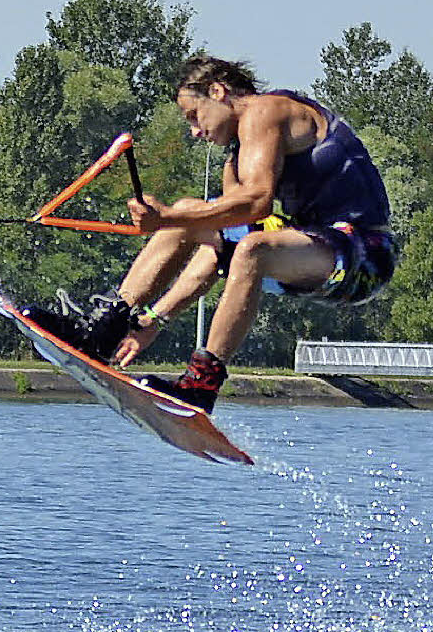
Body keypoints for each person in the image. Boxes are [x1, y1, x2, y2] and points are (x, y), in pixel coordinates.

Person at [26, 55, 396, 413]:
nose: (194, 131)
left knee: (247, 244)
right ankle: (106, 328)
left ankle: (202, 384)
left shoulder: (267, 110)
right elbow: (215, 255)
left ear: (217, 92)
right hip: (311, 249)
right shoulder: (236, 163)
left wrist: (166, 217)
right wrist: (152, 321)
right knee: (193, 213)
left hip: (365, 255)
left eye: (194, 115)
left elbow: (257, 204)